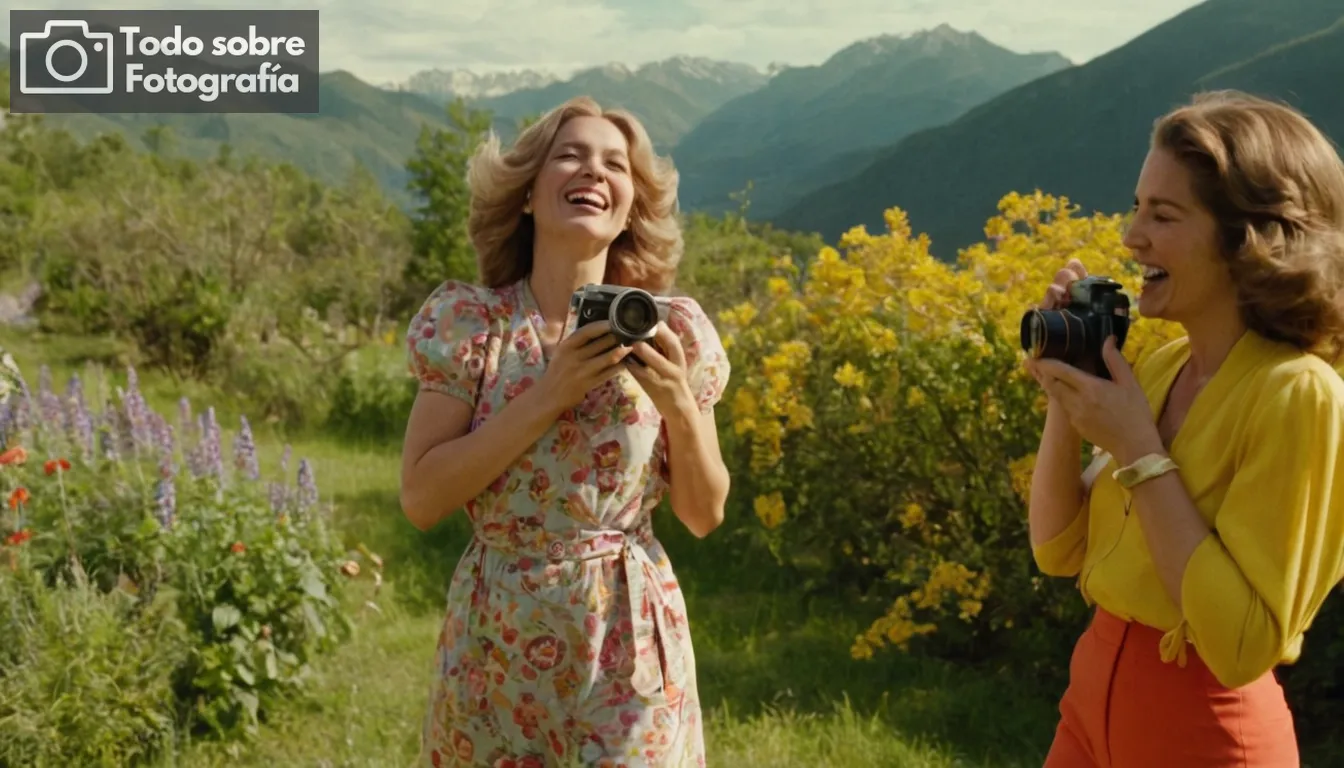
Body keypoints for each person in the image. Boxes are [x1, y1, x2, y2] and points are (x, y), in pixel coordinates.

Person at [399, 95, 731, 768]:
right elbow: (422, 497)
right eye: (571, 155)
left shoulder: (677, 333)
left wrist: (678, 405)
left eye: (615, 165)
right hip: (495, 647)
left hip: (630, 642)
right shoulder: (472, 324)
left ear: (631, 204)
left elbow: (704, 513)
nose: (594, 172)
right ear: (526, 194)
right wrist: (549, 394)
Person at [1025, 89, 1344, 767]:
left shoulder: (1299, 394)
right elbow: (1058, 548)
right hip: (1092, 700)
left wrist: (1139, 447)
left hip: (1203, 732)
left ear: (1247, 242)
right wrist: (1066, 389)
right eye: (1138, 207)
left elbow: (1238, 646)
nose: (1131, 236)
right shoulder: (1168, 366)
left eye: (1162, 215)